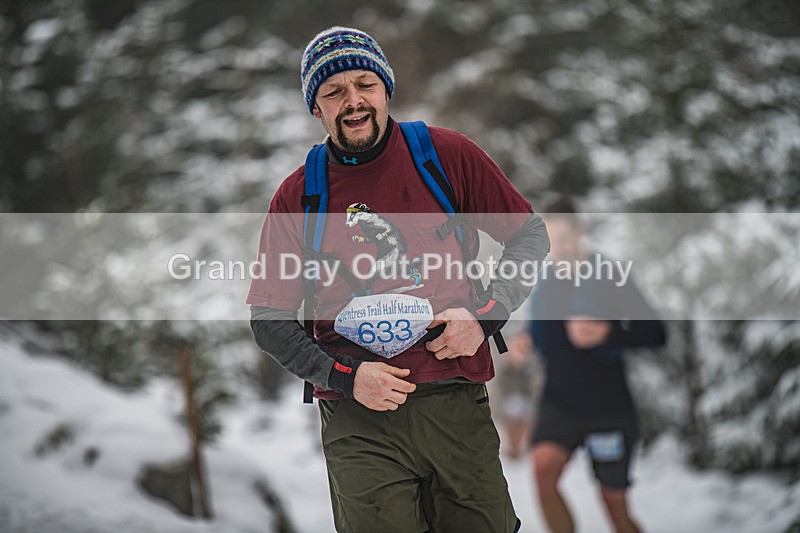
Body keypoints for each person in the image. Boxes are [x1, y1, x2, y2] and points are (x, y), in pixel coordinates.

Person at [246, 27, 550, 533]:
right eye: (333, 92)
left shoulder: (445, 156)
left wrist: (485, 317)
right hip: (358, 419)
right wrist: (344, 377)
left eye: (364, 83)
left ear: (386, 88)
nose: (353, 101)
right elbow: (268, 318)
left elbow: (529, 236)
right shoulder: (300, 196)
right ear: (315, 109)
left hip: (455, 400)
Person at [521, 196, 666, 533]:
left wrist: (608, 332)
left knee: (614, 506)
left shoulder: (610, 274)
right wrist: (525, 342)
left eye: (564, 238)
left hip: (609, 407)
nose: (558, 248)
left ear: (581, 231)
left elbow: (656, 332)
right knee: (542, 473)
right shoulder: (544, 283)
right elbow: (541, 335)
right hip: (559, 402)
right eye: (551, 240)